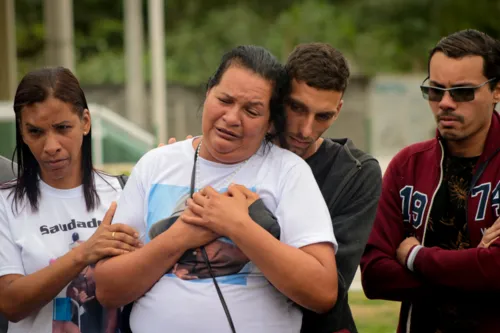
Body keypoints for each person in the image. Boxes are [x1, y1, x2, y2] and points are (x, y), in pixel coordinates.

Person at [94, 45, 338, 333]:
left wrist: (237, 226)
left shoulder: (289, 172)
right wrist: (180, 237)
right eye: (225, 99)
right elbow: (108, 290)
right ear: (208, 92)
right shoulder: (154, 164)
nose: (232, 117)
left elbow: (322, 292)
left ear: (271, 121)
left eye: (252, 110)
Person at [167, 42, 383, 333]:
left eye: (323, 116)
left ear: (339, 110)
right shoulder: (233, 151)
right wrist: (177, 170)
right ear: (278, 99)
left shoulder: (356, 173)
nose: (306, 129)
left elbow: (327, 291)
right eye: (297, 108)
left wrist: (245, 224)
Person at [361, 29, 500, 333]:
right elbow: (374, 275)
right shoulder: (407, 167)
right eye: (435, 91)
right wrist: (474, 273)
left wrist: (414, 256)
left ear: (496, 90)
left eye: (463, 92)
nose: (445, 103)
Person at [0, 67, 141, 333]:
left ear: (85, 122)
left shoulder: (123, 192)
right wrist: (84, 254)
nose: (51, 145)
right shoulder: (6, 203)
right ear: (22, 132)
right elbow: (10, 304)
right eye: (36, 132)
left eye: (62, 128)